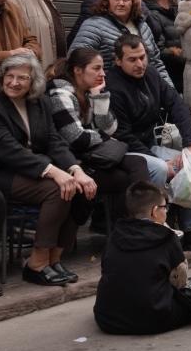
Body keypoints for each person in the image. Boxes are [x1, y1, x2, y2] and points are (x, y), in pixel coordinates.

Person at [105, 34, 191, 252]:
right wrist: (162, 162)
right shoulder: (113, 87)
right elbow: (123, 135)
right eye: (132, 59)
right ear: (118, 61)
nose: (140, 64)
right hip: (125, 151)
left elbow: (177, 105)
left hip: (148, 144)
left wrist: (190, 146)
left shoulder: (151, 74)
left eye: (142, 57)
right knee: (161, 169)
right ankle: (158, 230)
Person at [0, 54, 91, 286]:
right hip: (5, 172)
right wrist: (52, 171)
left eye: (22, 77)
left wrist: (74, 169)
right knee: (55, 189)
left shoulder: (40, 103)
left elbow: (54, 141)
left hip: (36, 168)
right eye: (9, 76)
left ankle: (54, 258)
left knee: (81, 186)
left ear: (34, 81)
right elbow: (8, 150)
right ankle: (36, 263)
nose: (14, 82)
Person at [47, 47, 148, 222]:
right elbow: (76, 138)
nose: (102, 73)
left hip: (93, 155)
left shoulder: (89, 92)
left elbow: (110, 128)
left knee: (138, 162)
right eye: (96, 68)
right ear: (78, 70)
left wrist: (99, 98)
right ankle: (128, 228)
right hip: (72, 161)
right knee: (123, 180)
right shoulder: (60, 94)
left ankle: (144, 223)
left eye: (102, 68)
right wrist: (104, 137)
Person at [93, 180, 191, 334]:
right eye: (164, 207)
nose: (166, 211)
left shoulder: (115, 234)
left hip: (108, 319)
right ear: (154, 211)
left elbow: (106, 269)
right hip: (154, 319)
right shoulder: (166, 237)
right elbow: (180, 281)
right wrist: (167, 229)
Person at [70, 0, 174, 88]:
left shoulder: (143, 27)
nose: (121, 3)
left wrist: (171, 92)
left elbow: (156, 63)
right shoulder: (93, 25)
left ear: (133, 2)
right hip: (110, 94)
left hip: (144, 95)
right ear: (107, 1)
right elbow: (77, 61)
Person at [145, 0, 185, 92]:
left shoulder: (175, 12)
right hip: (169, 81)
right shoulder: (153, 16)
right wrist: (185, 56)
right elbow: (158, 50)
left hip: (181, 79)